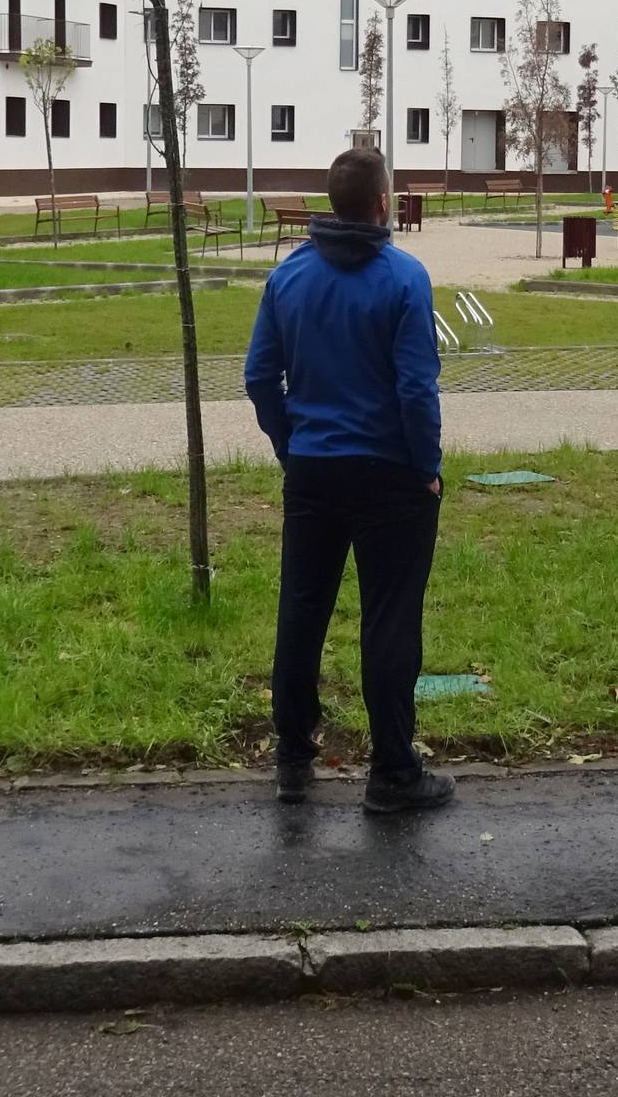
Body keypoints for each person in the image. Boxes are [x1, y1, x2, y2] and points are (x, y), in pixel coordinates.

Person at [244, 145, 450, 814]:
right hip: (391, 478)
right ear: (383, 202)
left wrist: (289, 446)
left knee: (301, 611)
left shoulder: (288, 278)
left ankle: (292, 761)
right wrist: (426, 469)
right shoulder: (404, 278)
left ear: (330, 204)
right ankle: (392, 773)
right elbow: (416, 389)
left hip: (312, 474)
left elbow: (257, 377)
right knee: (389, 621)